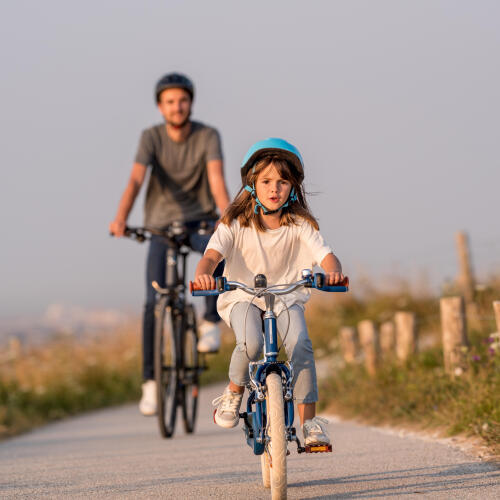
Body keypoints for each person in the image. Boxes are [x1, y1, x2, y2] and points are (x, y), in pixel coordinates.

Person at [193, 138, 345, 446]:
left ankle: (310, 423)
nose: (274, 189)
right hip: (243, 296)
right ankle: (233, 393)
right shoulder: (236, 222)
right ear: (252, 184)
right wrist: (203, 276)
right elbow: (211, 256)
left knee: (301, 344)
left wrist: (332, 271)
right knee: (251, 343)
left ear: (293, 188)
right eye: (266, 181)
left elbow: (326, 255)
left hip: (287, 298)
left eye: (282, 182)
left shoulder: (300, 224)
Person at [109, 73, 231, 416]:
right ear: (160, 107)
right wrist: (121, 217)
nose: (177, 107)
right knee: (153, 300)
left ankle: (209, 320)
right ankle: (150, 384)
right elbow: (136, 179)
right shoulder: (151, 138)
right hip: (160, 225)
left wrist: (226, 217)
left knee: (217, 248)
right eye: (170, 102)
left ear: (190, 102)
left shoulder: (208, 135)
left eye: (182, 100)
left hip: (200, 219)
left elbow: (217, 180)